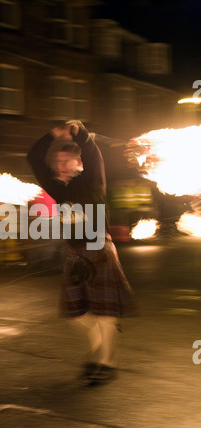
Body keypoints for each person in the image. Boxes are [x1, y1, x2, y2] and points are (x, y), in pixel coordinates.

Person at [27, 121, 136, 385]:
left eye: (69, 160)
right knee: (76, 314)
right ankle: (98, 345)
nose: (64, 165)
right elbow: (33, 158)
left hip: (100, 249)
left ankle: (106, 363)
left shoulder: (92, 181)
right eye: (60, 161)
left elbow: (93, 153)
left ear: (79, 163)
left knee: (104, 314)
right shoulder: (57, 189)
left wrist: (78, 132)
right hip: (75, 253)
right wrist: (52, 134)